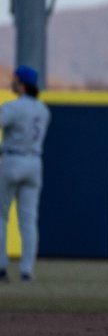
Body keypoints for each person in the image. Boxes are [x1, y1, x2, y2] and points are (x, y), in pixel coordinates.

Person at [0, 65, 51, 284]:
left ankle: (1, 268)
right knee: (29, 221)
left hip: (12, 159)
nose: (13, 83)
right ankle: (26, 271)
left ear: (22, 84)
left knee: (1, 216)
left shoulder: (12, 107)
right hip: (34, 162)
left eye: (15, 80)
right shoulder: (43, 109)